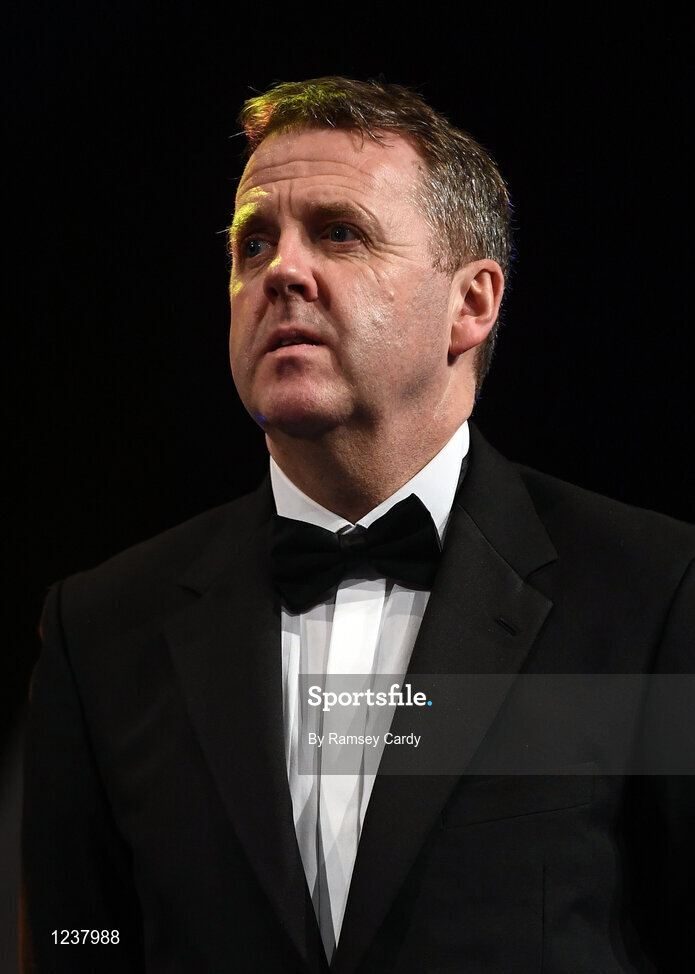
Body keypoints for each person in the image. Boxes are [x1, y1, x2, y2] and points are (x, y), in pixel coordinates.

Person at [21, 77, 694, 973]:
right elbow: (81, 942)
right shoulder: (100, 628)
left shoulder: (652, 590)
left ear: (472, 304)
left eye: (339, 233)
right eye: (251, 244)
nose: (281, 271)